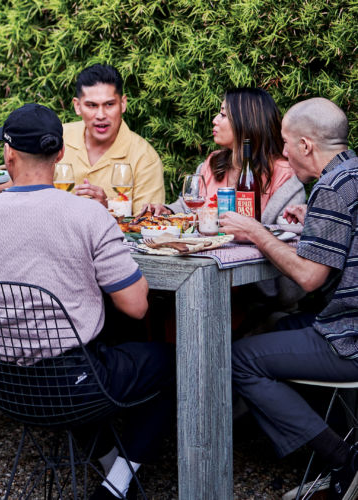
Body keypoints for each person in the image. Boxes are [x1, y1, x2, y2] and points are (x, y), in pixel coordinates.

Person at [0, 103, 175, 500]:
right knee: (168, 361)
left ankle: (110, 469)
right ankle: (118, 484)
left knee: (90, 362)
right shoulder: (88, 215)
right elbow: (136, 306)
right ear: (60, 155)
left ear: (8, 153)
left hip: (2, 384)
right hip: (74, 385)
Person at [220, 98, 358, 500]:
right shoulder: (349, 174)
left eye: (285, 142)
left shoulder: (332, 186)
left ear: (306, 146)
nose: (281, 151)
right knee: (279, 328)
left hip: (348, 337)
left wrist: (257, 232)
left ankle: (343, 460)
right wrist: (311, 221)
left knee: (237, 359)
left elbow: (309, 277)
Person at [143, 87, 305, 225]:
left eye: (223, 115)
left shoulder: (285, 177)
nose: (214, 120)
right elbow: (188, 208)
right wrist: (167, 210)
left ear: (247, 122)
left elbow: (285, 234)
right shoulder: (212, 163)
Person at [61, 64, 165, 214]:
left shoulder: (145, 157)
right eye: (91, 105)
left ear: (123, 104)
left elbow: (145, 228)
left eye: (109, 104)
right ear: (77, 106)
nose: (101, 115)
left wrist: (106, 210)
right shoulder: (58, 138)